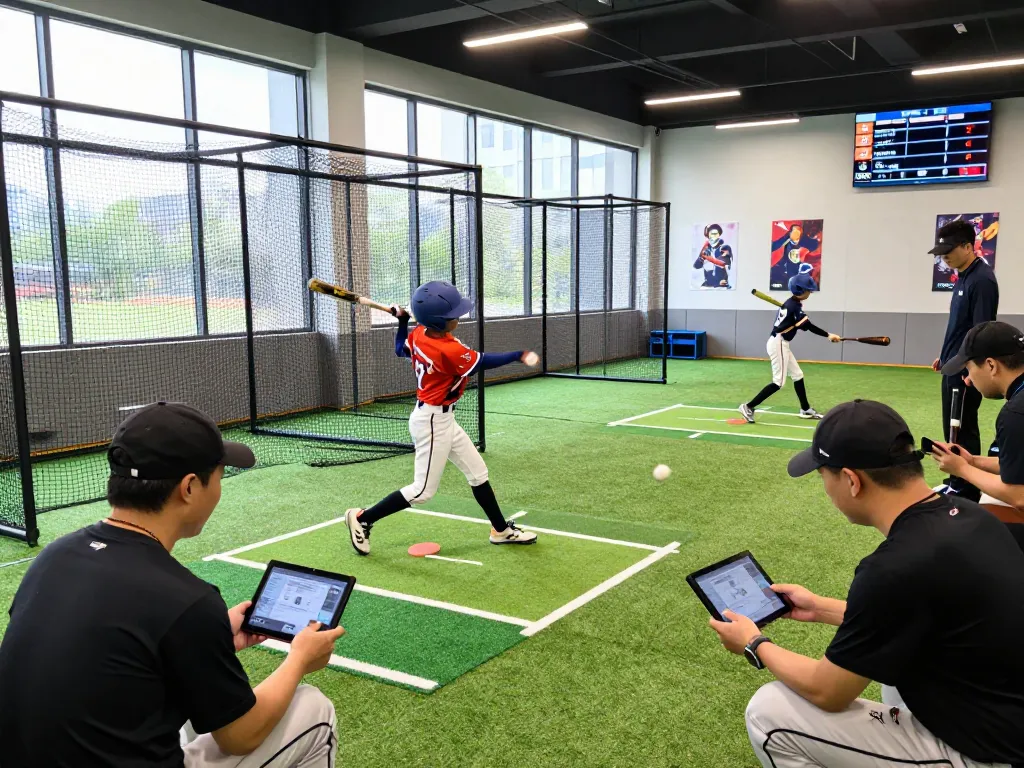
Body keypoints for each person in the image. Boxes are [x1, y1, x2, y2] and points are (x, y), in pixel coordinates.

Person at [0, 402, 343, 767]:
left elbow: (109, 654)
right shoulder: (187, 600)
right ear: (190, 487)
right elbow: (241, 736)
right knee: (314, 709)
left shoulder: (55, 555)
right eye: (219, 475)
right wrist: (299, 659)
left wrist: (211, 637)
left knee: (183, 713)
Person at [709, 399, 1024, 768]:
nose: (826, 490)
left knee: (769, 713)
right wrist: (821, 607)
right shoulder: (971, 516)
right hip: (1006, 717)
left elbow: (827, 692)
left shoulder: (895, 566)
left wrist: (754, 643)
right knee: (891, 668)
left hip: (990, 754)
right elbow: (918, 614)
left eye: (823, 476)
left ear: (852, 480)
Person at [345, 281, 539, 555]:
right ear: (439, 320)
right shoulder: (448, 350)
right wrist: (518, 355)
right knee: (422, 491)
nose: (458, 317)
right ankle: (363, 518)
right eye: (453, 314)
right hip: (433, 421)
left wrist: (402, 323)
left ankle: (500, 530)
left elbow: (401, 348)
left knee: (478, 472)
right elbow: (483, 361)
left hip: (441, 419)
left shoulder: (420, 333)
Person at [929, 219, 999, 502]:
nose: (943, 256)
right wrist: (945, 356)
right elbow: (960, 327)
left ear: (968, 246)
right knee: (952, 425)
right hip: (954, 364)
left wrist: (975, 368)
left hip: (966, 370)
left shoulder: (982, 280)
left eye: (949, 250)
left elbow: (982, 328)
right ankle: (956, 479)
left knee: (963, 425)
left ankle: (967, 488)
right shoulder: (965, 277)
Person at [932, 321, 1024, 531]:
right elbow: (1018, 466)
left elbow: (1019, 495)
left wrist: (961, 469)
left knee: (982, 525)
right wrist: (972, 461)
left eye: (969, 369)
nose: (967, 380)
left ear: (991, 365)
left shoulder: (1016, 413)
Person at [739, 273, 841, 424]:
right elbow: (808, 326)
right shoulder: (793, 306)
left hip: (781, 342)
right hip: (778, 343)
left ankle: (805, 409)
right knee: (778, 382)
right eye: (808, 290)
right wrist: (828, 335)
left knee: (798, 375)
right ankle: (748, 406)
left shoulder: (792, 304)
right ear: (800, 290)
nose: (810, 292)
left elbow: (802, 324)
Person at [769, 223, 821, 290]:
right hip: (782, 270)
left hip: (795, 272)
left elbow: (814, 244)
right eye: (793, 232)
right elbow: (773, 246)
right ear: (790, 233)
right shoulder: (785, 240)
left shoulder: (807, 243)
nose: (795, 234)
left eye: (798, 232)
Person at [693, 223, 734, 289]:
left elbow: (724, 264)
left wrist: (709, 258)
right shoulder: (706, 249)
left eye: (716, 234)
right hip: (708, 285)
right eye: (712, 234)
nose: (714, 236)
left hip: (721, 286)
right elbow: (696, 266)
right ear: (708, 235)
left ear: (719, 235)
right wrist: (702, 257)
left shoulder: (724, 248)